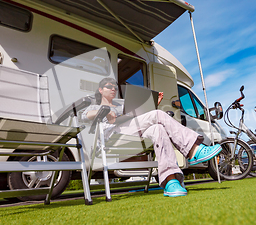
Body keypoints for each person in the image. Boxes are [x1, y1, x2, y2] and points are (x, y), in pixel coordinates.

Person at [82, 77, 222, 197]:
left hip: (133, 133)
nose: (113, 89)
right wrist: (104, 111)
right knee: (158, 114)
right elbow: (83, 116)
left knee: (158, 128)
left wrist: (155, 103)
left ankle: (170, 181)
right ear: (100, 90)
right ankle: (193, 149)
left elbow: (141, 117)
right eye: (108, 87)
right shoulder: (94, 106)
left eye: (114, 87)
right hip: (111, 136)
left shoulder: (122, 104)